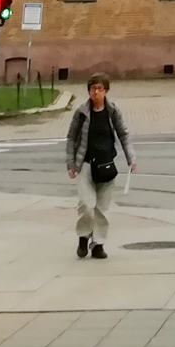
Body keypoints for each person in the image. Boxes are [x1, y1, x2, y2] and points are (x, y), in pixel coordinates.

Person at [66, 73, 136, 259]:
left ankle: (98, 244)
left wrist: (131, 157)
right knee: (87, 205)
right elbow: (71, 138)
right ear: (88, 91)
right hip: (86, 165)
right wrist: (71, 163)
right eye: (92, 89)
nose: (96, 93)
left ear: (106, 91)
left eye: (99, 89)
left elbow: (124, 135)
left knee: (101, 209)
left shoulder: (113, 112)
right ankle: (83, 237)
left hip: (106, 165)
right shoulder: (81, 113)